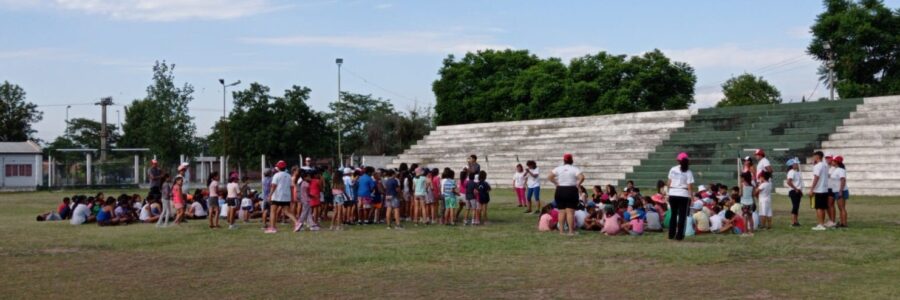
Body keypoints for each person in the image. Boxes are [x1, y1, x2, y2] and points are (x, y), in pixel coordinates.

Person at [548, 153, 585, 236]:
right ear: (571, 160)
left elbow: (549, 176)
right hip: (571, 190)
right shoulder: (574, 169)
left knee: (561, 212)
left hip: (560, 190)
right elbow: (582, 177)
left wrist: (556, 183)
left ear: (564, 160)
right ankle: (571, 232)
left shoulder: (558, 168)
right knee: (570, 212)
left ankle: (561, 231)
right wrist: (578, 184)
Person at [266, 160, 301, 233]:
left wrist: (270, 195)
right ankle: (297, 222)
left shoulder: (276, 175)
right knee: (287, 211)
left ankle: (272, 228)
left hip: (277, 196)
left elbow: (273, 186)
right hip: (286, 196)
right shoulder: (288, 176)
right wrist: (291, 197)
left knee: (273, 211)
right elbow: (291, 187)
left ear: (278, 168)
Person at [667, 152, 694, 241]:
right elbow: (689, 186)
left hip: (673, 193)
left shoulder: (673, 169)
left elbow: (669, 182)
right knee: (682, 216)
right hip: (683, 194)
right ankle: (679, 236)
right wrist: (691, 197)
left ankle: (671, 234)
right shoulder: (688, 172)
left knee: (673, 215)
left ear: (678, 161)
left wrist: (668, 193)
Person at [809, 151, 830, 231]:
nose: (813, 158)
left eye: (814, 157)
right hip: (824, 189)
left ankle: (820, 224)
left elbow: (816, 177)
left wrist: (812, 189)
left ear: (817, 157)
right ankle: (821, 223)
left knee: (818, 208)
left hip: (819, 190)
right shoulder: (825, 165)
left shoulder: (818, 166)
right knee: (822, 208)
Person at [831, 156, 849, 228]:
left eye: (833, 161)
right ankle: (842, 222)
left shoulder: (840, 170)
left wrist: (840, 191)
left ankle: (844, 223)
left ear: (836, 162)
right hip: (837, 190)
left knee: (842, 208)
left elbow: (843, 180)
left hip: (840, 190)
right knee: (840, 208)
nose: (832, 162)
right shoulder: (836, 169)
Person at [785, 157, 804, 227]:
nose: (797, 165)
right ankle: (793, 222)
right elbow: (789, 182)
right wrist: (795, 189)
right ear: (792, 165)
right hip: (794, 191)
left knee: (797, 206)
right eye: (796, 164)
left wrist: (800, 191)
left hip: (797, 191)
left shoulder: (797, 172)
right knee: (795, 206)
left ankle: (796, 221)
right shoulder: (791, 172)